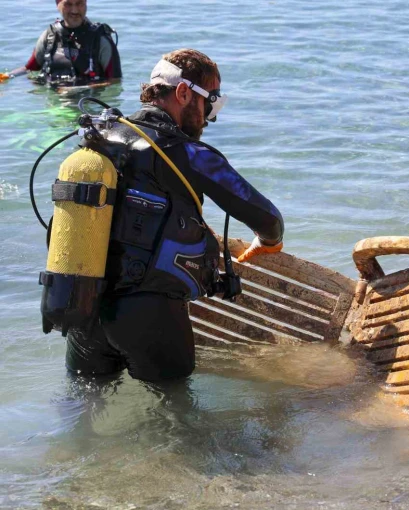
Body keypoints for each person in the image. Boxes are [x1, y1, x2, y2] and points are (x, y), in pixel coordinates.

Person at [65, 49, 284, 382]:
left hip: (82, 308)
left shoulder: (101, 139)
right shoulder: (187, 153)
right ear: (183, 93)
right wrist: (269, 243)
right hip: (149, 316)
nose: (209, 117)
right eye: (210, 103)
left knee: (81, 408)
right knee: (176, 420)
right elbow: (267, 218)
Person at [0, 0, 121, 86]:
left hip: (87, 105)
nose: (74, 10)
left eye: (79, 3)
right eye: (68, 4)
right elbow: (30, 68)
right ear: (58, 4)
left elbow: (115, 82)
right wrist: (7, 76)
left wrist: (79, 90)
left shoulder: (101, 40)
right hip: (54, 103)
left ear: (86, 3)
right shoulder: (50, 36)